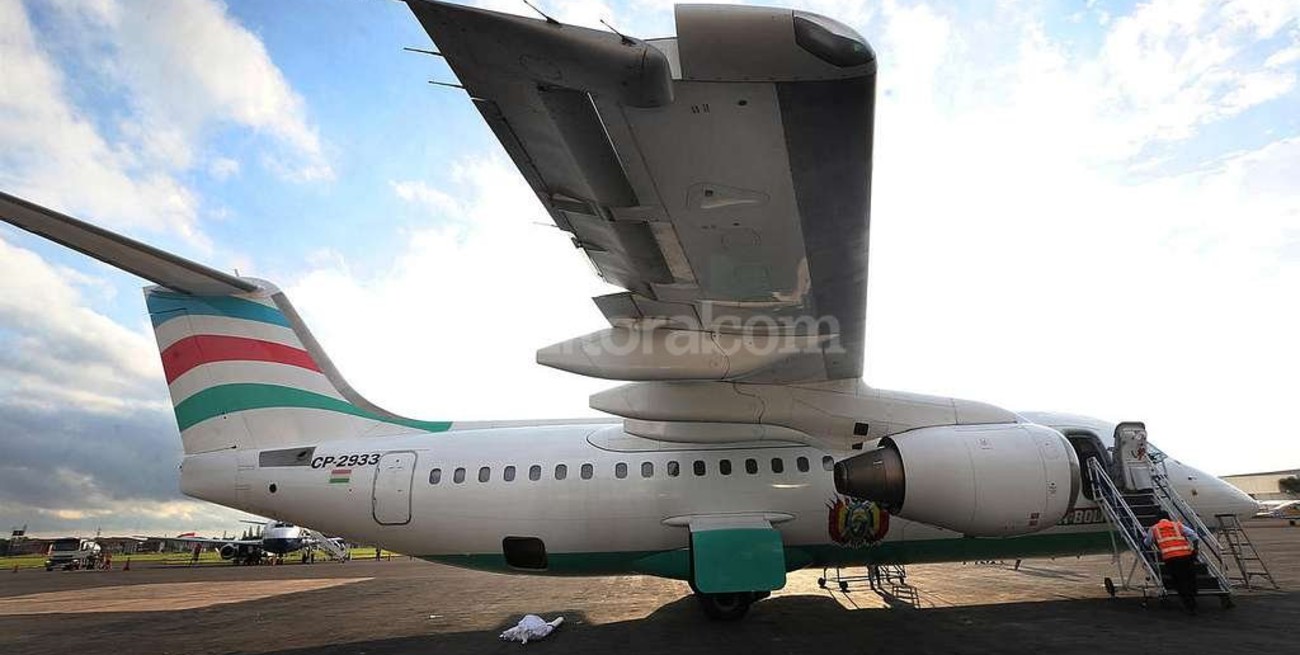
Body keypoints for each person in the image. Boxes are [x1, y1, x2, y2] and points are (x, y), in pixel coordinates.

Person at [1144, 510, 1199, 613]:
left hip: (1171, 558)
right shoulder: (1177, 525)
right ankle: (1193, 596)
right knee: (1190, 577)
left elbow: (1147, 543)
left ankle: (1189, 605)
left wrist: (1144, 539)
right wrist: (1195, 549)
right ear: (1169, 517)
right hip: (1186, 556)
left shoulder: (1154, 528)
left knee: (1179, 582)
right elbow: (1194, 536)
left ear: (1157, 519)